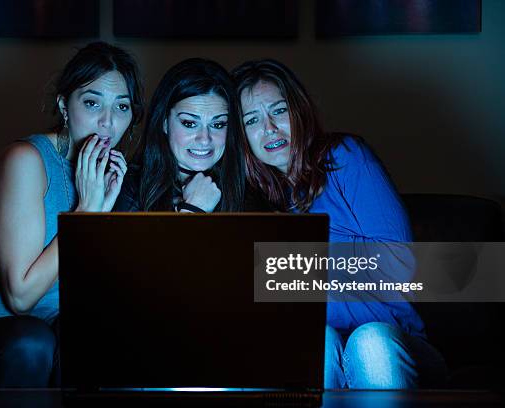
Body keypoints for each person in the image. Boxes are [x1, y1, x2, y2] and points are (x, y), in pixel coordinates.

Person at [0, 41, 144, 387]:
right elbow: (21, 297)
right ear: (64, 106)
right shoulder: (25, 161)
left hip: (53, 342)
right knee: (33, 342)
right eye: (91, 102)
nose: (107, 122)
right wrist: (85, 214)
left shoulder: (109, 178)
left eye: (122, 107)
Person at [231, 59, 447, 389]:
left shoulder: (344, 157)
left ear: (298, 111)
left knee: (368, 341)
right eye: (251, 120)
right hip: (326, 345)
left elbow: (398, 263)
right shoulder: (253, 200)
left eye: (278, 110)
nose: (270, 129)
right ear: (241, 136)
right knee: (318, 341)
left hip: (394, 343)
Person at [114, 58, 245, 213]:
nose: (204, 139)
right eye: (189, 123)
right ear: (164, 123)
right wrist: (193, 210)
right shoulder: (127, 187)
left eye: (218, 125)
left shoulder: (248, 189)